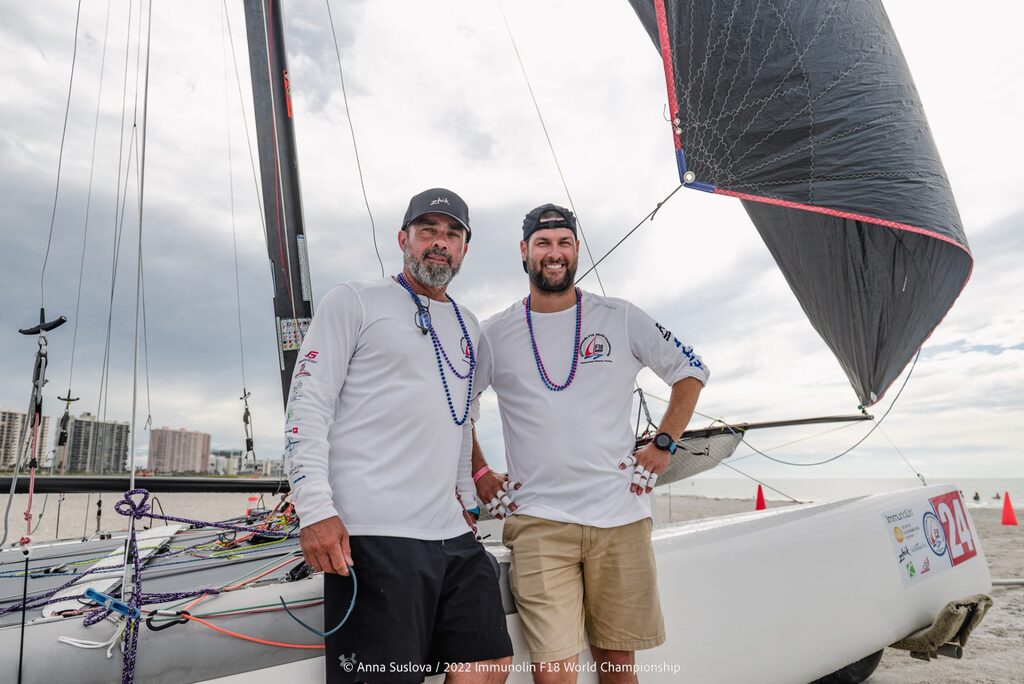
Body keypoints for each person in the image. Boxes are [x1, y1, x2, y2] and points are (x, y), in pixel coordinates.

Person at [470, 204, 709, 683]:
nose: (553, 253)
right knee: (553, 672)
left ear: (576, 250)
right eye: (543, 243)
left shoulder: (618, 316)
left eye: (563, 243)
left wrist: (663, 444)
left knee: (618, 670)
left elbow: (691, 370)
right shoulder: (493, 334)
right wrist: (479, 473)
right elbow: (458, 412)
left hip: (620, 519)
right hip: (539, 523)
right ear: (524, 252)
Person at [285, 188, 513, 683]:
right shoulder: (354, 301)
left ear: (464, 250)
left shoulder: (469, 326)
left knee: (489, 662)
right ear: (403, 239)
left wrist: (467, 499)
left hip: (449, 534)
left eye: (453, 234)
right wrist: (315, 510)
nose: (440, 242)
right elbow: (307, 406)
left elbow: (459, 419)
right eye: (428, 230)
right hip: (373, 532)